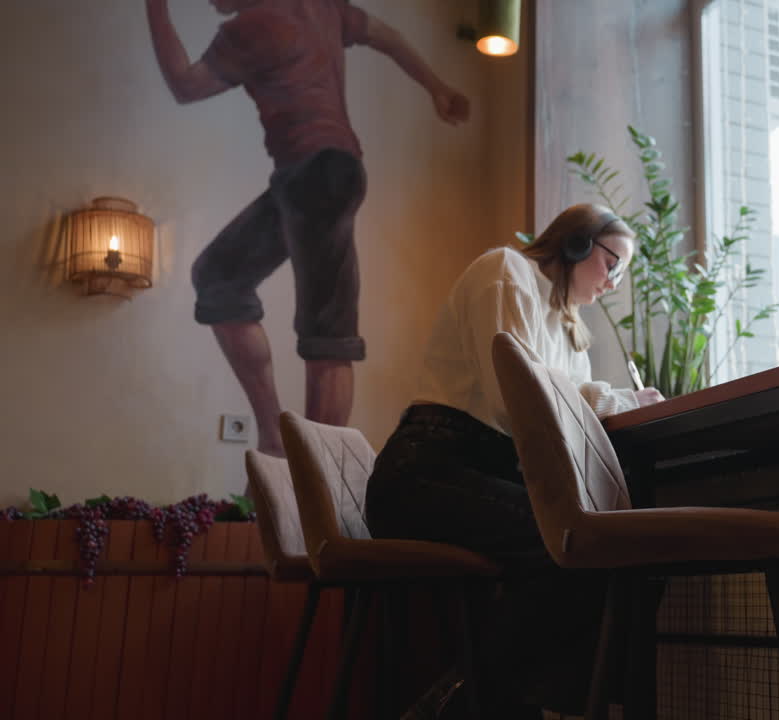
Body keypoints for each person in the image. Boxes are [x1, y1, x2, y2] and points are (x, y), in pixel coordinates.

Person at [365, 203, 665, 718]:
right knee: (573, 543)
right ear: (577, 244)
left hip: (479, 470)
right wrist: (619, 402)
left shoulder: (570, 329)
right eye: (613, 265)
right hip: (428, 470)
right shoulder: (507, 272)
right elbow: (517, 402)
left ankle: (485, 702)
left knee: (602, 549)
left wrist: (612, 401)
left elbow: (566, 406)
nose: (614, 283)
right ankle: (455, 706)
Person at [145, 0, 470, 457]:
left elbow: (184, 84)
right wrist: (436, 87)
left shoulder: (249, 28)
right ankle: (277, 439)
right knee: (219, 279)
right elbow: (389, 38)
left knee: (327, 335)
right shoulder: (324, 7)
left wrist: (156, 9)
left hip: (316, 174)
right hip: (315, 175)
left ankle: (313, 467)